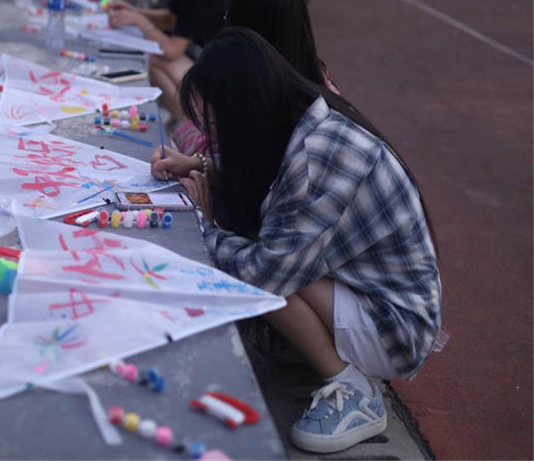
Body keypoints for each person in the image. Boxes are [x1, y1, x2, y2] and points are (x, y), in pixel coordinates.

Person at [151, 27, 442, 454]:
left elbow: (266, 272)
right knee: (258, 246)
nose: (214, 139)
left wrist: (204, 226)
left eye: (217, 126)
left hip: (395, 327)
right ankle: (333, 356)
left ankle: (352, 389)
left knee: (262, 268)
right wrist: (200, 165)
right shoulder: (302, 117)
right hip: (366, 295)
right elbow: (262, 169)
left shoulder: (318, 155)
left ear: (246, 108)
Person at [172, 0, 337, 156]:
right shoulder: (316, 74)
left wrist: (200, 164)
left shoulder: (244, 77)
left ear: (240, 16)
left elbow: (234, 158)